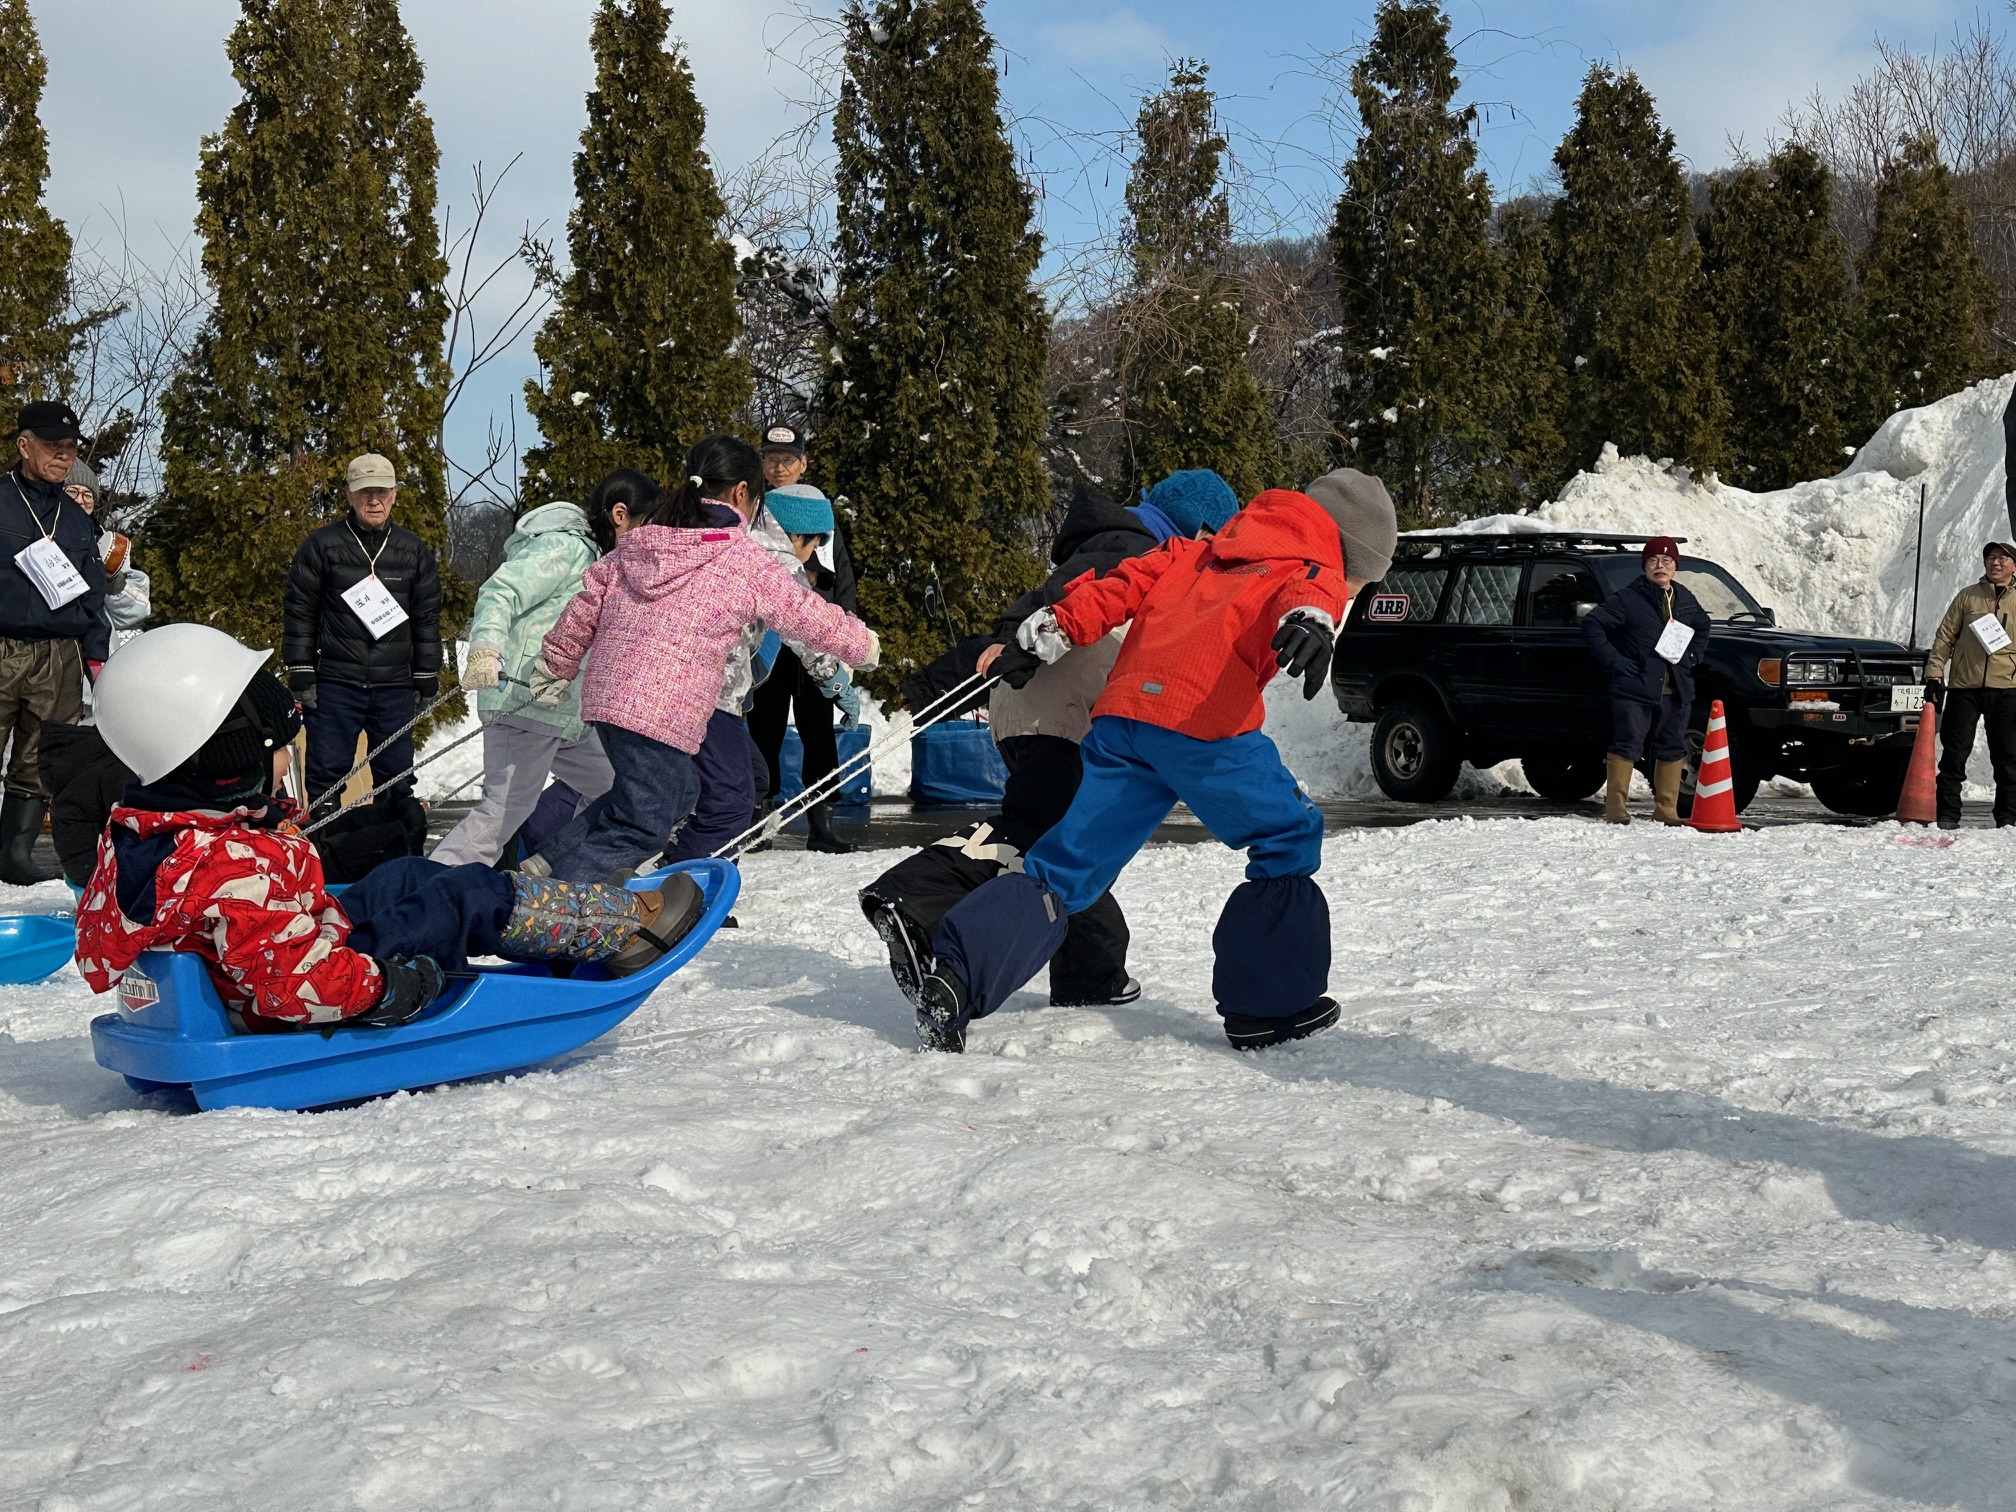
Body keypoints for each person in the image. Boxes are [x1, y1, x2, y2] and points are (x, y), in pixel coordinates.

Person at [903, 470, 1396, 1055]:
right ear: (1346, 552)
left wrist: (1042, 635)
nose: (1349, 595)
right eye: (1358, 585)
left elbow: (1118, 585)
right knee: (1289, 834)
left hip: (1125, 720)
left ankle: (956, 980)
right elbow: (1309, 594)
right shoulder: (1313, 566)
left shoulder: (1198, 550)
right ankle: (1269, 1010)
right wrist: (1311, 619)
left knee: (1065, 866)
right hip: (1202, 721)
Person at [73, 624, 705, 1031]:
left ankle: (556, 923)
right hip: (313, 991)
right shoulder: (230, 866)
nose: (289, 757)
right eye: (279, 747)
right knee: (462, 894)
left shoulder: (149, 836)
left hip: (281, 961)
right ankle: (623, 928)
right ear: (231, 755)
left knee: (402, 876)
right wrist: (388, 987)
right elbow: (293, 981)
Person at [859, 472, 1243, 1017]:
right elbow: (1055, 600)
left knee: (1066, 839)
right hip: (1070, 713)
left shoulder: (1116, 540)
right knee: (1049, 839)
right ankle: (917, 895)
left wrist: (946, 675)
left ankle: (1091, 975)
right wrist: (1006, 643)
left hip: (1036, 707)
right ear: (1200, 529)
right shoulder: (1136, 548)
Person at [527, 434, 878, 884]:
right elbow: (804, 613)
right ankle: (569, 905)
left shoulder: (646, 537)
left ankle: (556, 866)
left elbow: (588, 600)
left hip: (610, 696)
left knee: (667, 796)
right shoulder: (741, 555)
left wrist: (556, 664)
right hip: (671, 703)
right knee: (652, 821)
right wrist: (862, 645)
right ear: (742, 492)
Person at [427, 492, 614, 867]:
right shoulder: (565, 546)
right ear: (619, 515)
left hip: (565, 712)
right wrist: (485, 647)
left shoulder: (601, 561)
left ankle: (571, 873)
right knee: (499, 816)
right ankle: (429, 887)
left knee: (620, 792)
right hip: (523, 700)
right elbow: (501, 591)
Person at [283, 453, 443, 815]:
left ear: (394, 495)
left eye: (382, 492)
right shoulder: (322, 545)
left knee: (396, 777)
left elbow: (426, 616)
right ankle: (324, 840)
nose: (374, 500)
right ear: (349, 494)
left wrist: (426, 671)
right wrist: (301, 668)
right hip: (336, 682)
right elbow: (300, 610)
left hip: (395, 684)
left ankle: (395, 841)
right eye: (364, 492)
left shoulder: (413, 551)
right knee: (326, 775)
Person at [0, 400, 110, 884]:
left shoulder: (76, 518)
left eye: (70, 447)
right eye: (52, 446)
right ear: (24, 446)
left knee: (40, 757)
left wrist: (96, 656)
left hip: (59, 655)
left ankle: (14, 856)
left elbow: (93, 594)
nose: (63, 456)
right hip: (2, 645)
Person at [744, 481, 864, 854]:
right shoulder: (760, 539)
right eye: (772, 458)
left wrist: (846, 621)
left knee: (819, 732)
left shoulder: (818, 518)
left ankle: (821, 822)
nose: (780, 466)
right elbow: (792, 616)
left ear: (803, 464)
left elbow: (843, 576)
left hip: (816, 642)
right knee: (764, 730)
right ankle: (758, 818)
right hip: (772, 648)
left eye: (788, 458)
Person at [1580, 536, 1712, 826]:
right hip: (1635, 687)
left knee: (1672, 747)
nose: (1660, 566)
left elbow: (1703, 626)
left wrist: (1692, 656)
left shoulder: (1684, 598)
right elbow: (1592, 625)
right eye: (1653, 560)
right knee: (1627, 745)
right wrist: (1617, 661)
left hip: (1676, 689)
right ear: (1644, 566)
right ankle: (1616, 810)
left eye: (1667, 560)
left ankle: (1666, 811)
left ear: (1675, 566)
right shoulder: (1628, 599)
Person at [1924, 540, 2016, 828]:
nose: (1995, 563)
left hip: (2007, 688)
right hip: (1964, 688)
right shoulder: (1967, 596)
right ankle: (1947, 815)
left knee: (2008, 757)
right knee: (1954, 754)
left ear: (2014, 565)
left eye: (2002, 558)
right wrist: (1934, 675)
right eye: (1991, 558)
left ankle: (2008, 817)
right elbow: (1944, 637)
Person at [63, 460, 149, 649]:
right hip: (50, 647)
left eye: (88, 494)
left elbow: (135, 612)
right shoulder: (39, 534)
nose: (80, 500)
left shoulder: (107, 544)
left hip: (97, 649)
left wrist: (114, 583)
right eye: (72, 491)